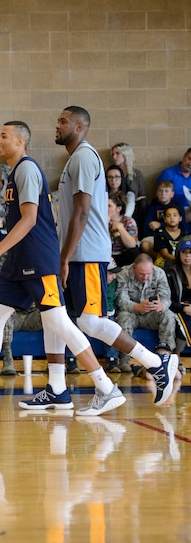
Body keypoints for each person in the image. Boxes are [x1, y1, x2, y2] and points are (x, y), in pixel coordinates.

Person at [0, 120, 128, 418]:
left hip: (38, 260)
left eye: (3, 136)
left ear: (20, 141)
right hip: (18, 262)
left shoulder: (27, 169)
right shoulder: (14, 174)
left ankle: (106, 387)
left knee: (59, 322)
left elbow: (29, 220)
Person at [53, 105, 177, 405]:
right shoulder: (76, 158)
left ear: (80, 127)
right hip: (79, 252)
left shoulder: (83, 156)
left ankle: (155, 365)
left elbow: (81, 213)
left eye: (63, 121)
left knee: (91, 322)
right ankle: (72, 388)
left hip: (85, 253)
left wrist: (65, 258)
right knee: (67, 320)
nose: (57, 125)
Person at [115, 254, 177, 372]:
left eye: (148, 273)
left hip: (152, 314)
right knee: (123, 317)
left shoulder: (159, 273)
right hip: (132, 313)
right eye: (142, 274)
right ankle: (124, 360)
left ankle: (166, 356)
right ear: (134, 268)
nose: (145, 277)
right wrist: (137, 307)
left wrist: (161, 305)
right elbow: (120, 300)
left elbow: (166, 298)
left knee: (169, 315)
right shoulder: (123, 273)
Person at [166, 237, 191, 362]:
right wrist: (183, 308)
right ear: (179, 254)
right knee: (185, 321)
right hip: (178, 308)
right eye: (184, 252)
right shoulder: (171, 273)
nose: (187, 256)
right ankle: (177, 354)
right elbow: (168, 301)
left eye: (190, 252)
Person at [141, 180, 182, 254]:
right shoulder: (152, 207)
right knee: (145, 245)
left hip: (175, 235)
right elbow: (146, 230)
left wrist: (160, 225)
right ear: (156, 193)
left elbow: (182, 226)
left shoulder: (178, 206)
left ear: (172, 194)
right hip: (155, 236)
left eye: (166, 191)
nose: (163, 194)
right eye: (160, 191)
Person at [111, 142, 147, 226]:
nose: (114, 157)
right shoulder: (112, 172)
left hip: (134, 210)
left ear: (125, 154)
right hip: (115, 207)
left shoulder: (136, 174)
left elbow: (142, 196)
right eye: (113, 154)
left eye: (117, 153)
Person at [157, 148, 191, 217]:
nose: (190, 163)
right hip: (172, 210)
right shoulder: (168, 174)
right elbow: (162, 196)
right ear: (184, 156)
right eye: (189, 159)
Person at [108, 192, 139, 267]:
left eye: (109, 206)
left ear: (118, 208)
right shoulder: (100, 221)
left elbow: (132, 245)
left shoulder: (128, 221)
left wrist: (120, 228)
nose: (105, 208)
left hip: (122, 256)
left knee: (135, 252)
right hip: (106, 255)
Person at [153, 204, 184, 269]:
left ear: (180, 218)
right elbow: (165, 254)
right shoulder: (160, 234)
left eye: (175, 215)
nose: (172, 218)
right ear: (164, 219)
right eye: (168, 216)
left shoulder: (185, 235)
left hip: (183, 262)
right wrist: (181, 260)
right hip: (165, 263)